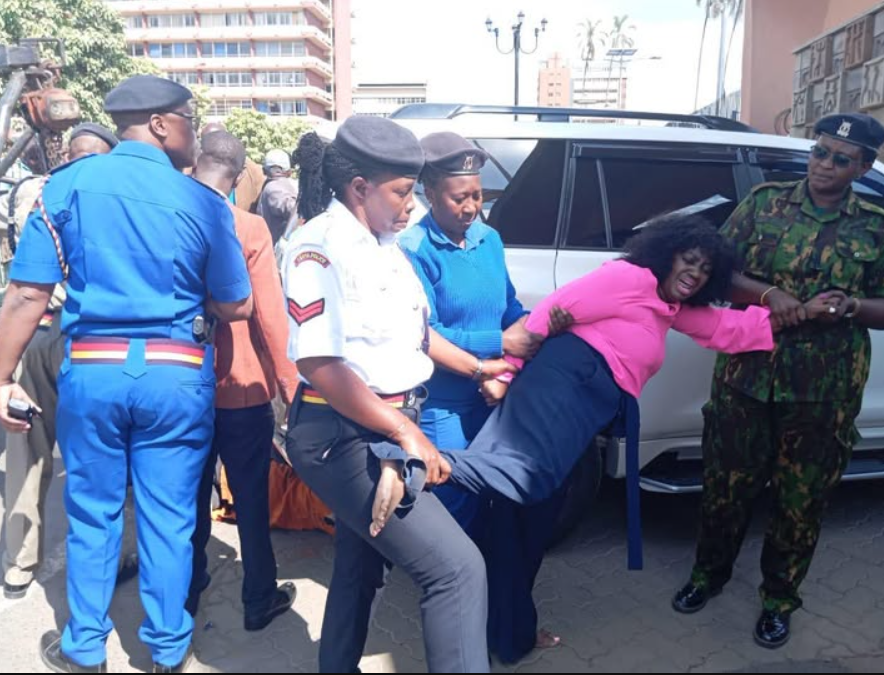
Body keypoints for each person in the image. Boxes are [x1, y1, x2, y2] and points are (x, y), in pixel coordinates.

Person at [372, 215, 778, 649]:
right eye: (689, 261)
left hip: (584, 409)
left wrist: (796, 313)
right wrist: (505, 374)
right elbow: (550, 312)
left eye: (705, 270)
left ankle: (510, 635)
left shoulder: (669, 306)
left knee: (530, 522)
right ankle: (414, 463)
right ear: (667, 255)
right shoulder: (629, 278)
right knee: (526, 479)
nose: (694, 274)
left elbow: (725, 329)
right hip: (559, 386)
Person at [0, 75, 252, 673]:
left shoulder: (64, 188)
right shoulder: (202, 202)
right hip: (176, 376)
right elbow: (237, 303)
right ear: (160, 124)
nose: (197, 133)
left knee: (92, 512)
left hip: (94, 372)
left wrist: (3, 376)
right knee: (169, 517)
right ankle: (167, 649)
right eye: (189, 120)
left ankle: (85, 647)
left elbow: (26, 294)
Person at [282, 116, 506, 673]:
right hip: (345, 434)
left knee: (362, 567)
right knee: (456, 571)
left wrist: (480, 367)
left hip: (381, 426)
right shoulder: (320, 246)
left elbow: (419, 336)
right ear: (360, 188)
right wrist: (405, 432)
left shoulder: (385, 246)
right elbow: (319, 362)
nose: (412, 206)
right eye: (403, 192)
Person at [672, 112, 884, 649]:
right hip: (747, 375)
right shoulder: (764, 202)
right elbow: (715, 272)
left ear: (863, 167)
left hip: (824, 389)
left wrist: (853, 305)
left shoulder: (876, 225)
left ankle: (778, 601)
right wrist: (770, 295)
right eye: (819, 151)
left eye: (840, 159)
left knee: (801, 499)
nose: (824, 164)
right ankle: (707, 576)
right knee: (725, 487)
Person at [398, 131, 569, 662]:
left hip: (497, 401)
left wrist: (536, 328)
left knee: (506, 520)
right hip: (446, 410)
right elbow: (421, 335)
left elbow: (508, 306)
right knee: (458, 530)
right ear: (429, 191)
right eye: (459, 197)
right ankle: (465, 641)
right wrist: (496, 350)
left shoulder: (489, 239)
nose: (471, 207)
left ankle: (506, 626)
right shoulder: (414, 250)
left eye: (478, 195)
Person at [2, 122, 118, 601]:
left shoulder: (35, 191)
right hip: (84, 342)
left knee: (26, 449)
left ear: (69, 153)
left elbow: (21, 284)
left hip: (30, 335)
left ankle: (19, 562)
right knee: (97, 458)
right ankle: (110, 562)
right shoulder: (114, 198)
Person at [188, 130, 298, 628]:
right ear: (239, 177)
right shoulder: (249, 226)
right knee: (251, 497)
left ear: (195, 162)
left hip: (183, 383)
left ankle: (187, 589)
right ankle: (258, 599)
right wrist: (290, 386)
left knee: (188, 496)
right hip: (243, 387)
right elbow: (270, 315)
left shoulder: (169, 215)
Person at [258, 148, 299, 245]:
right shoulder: (287, 186)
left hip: (276, 249)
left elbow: (293, 209)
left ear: (264, 171)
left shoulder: (273, 189)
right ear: (289, 172)